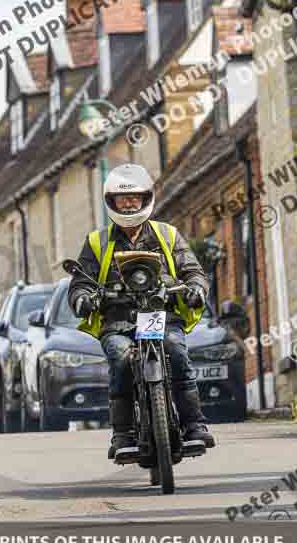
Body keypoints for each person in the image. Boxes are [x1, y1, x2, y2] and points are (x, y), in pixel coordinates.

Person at [67, 163, 215, 462]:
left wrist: (196, 288)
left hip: (161, 314)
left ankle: (194, 425)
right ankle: (123, 434)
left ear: (146, 197)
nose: (129, 203)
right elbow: (81, 281)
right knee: (121, 361)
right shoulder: (97, 241)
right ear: (112, 202)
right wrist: (83, 298)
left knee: (176, 352)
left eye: (135, 197)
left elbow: (192, 270)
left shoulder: (167, 234)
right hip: (118, 320)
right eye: (123, 199)